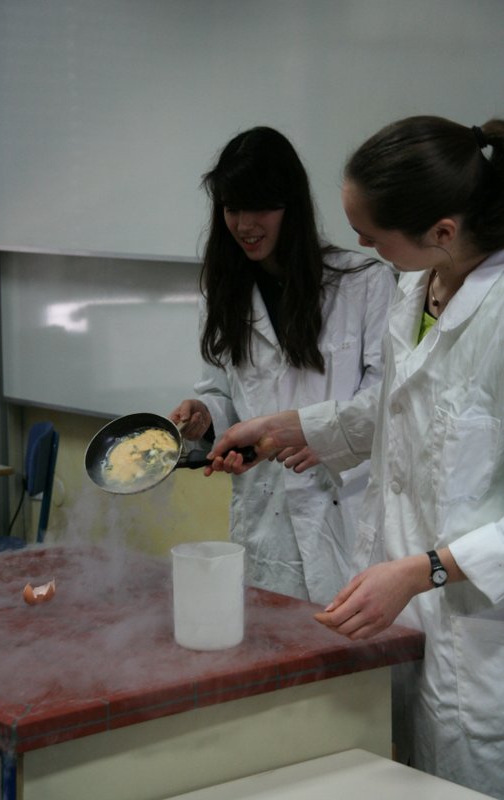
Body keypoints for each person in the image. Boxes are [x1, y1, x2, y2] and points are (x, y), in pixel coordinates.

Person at [205, 115, 504, 799]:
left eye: (372, 235)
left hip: (478, 637)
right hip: (405, 612)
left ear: (443, 231)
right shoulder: (416, 292)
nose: (361, 248)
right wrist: (291, 427)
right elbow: (396, 412)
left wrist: (425, 570)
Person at [170, 126, 396, 604]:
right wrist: (207, 415)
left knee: (354, 641)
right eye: (232, 208)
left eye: (260, 207)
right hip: (267, 519)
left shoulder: (364, 282)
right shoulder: (223, 291)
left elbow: (389, 400)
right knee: (275, 638)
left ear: (291, 206)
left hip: (345, 511)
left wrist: (322, 434)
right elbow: (223, 391)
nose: (244, 224)